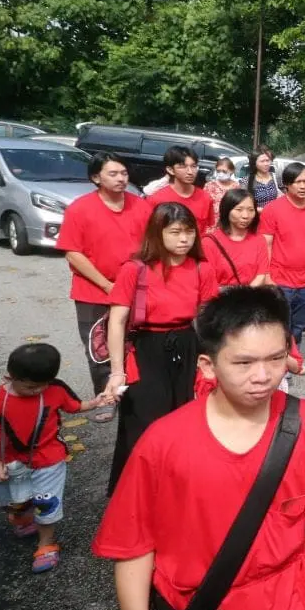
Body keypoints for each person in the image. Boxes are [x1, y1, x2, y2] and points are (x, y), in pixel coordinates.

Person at [93, 286, 305, 610]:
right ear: (207, 366)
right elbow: (134, 543)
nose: (262, 376)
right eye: (243, 362)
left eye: (276, 359)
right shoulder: (163, 443)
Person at [102, 203, 220, 494]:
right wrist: (116, 372)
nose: (184, 239)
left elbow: (208, 318)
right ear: (158, 232)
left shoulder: (202, 268)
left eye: (190, 232)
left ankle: (176, 486)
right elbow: (117, 321)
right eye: (175, 232)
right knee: (143, 421)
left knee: (184, 418)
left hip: (186, 344)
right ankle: (135, 490)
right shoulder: (135, 269)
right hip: (146, 347)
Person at [0, 344, 106, 573]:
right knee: (13, 504)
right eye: (30, 386)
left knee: (47, 502)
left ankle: (46, 543)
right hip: (10, 462)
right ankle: (23, 517)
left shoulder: (55, 389)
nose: (37, 391)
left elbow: (74, 406)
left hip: (49, 459)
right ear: (10, 376)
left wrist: (95, 403)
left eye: (43, 386)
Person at [56, 152, 152, 424]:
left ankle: (136, 391)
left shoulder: (141, 206)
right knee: (98, 347)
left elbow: (152, 244)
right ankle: (106, 398)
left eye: (123, 173)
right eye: (113, 173)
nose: (121, 178)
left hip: (137, 287)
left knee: (136, 342)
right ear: (96, 177)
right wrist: (107, 284)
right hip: (94, 290)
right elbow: (73, 253)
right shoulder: (80, 209)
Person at [259, 162, 305, 348]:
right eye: (298, 182)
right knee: (278, 324)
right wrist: (266, 275)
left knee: (299, 324)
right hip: (280, 278)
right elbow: (265, 244)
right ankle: (277, 361)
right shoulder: (273, 210)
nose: (303, 186)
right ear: (287, 185)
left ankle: (293, 356)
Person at [202, 189, 269, 288]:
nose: (245, 216)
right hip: (222, 299)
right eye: (239, 210)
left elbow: (261, 275)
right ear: (226, 210)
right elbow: (208, 281)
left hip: (250, 297)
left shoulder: (259, 240)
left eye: (251, 210)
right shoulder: (209, 242)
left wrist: (244, 297)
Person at [147, 145, 216, 234]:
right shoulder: (156, 200)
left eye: (194, 166)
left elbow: (209, 228)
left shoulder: (205, 198)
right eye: (183, 166)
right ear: (170, 170)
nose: (190, 172)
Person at [203, 157, 241, 227]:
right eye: (218, 171)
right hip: (212, 223)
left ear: (232, 171)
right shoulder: (209, 185)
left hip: (230, 223)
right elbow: (203, 206)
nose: (221, 174)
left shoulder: (236, 186)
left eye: (224, 171)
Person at [241, 147, 279, 211]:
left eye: (268, 160)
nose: (266, 164)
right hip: (257, 217)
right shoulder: (247, 181)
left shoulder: (276, 177)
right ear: (254, 163)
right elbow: (243, 202)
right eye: (262, 161)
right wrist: (262, 210)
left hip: (274, 216)